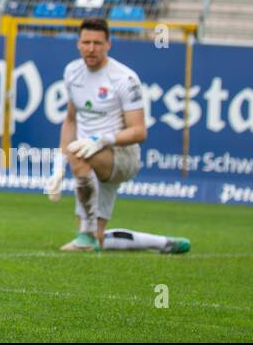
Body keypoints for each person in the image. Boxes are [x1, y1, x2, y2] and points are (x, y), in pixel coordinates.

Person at [44, 18, 190, 253]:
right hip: (88, 159)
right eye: (86, 42)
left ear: (109, 44)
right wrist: (58, 168)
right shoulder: (72, 71)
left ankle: (86, 234)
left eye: (97, 43)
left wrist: (100, 140)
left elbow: (139, 131)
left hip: (120, 156)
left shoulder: (124, 79)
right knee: (98, 238)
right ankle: (163, 243)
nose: (91, 48)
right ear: (78, 44)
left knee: (78, 153)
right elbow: (70, 119)